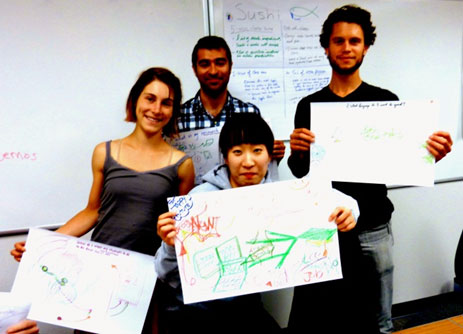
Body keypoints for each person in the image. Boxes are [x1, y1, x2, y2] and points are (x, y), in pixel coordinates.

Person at [287, 5, 453, 334]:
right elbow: (300, 172)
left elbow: (405, 163)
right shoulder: (308, 106)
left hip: (373, 228)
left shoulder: (386, 101)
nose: (346, 48)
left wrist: (432, 157)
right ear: (326, 47)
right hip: (327, 228)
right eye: (338, 41)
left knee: (379, 320)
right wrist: (297, 151)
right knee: (328, 319)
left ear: (366, 46)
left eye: (354, 41)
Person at [10, 67, 195, 334]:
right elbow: (92, 211)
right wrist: (40, 247)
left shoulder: (182, 165)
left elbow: (178, 232)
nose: (157, 109)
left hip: (146, 280)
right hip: (97, 275)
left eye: (167, 103)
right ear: (135, 101)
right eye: (150, 98)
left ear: (173, 110)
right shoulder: (104, 152)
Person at [155, 113, 360, 334]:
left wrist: (350, 212)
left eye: (257, 151)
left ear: (269, 154)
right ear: (225, 157)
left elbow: (340, 200)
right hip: (195, 312)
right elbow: (163, 272)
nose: (248, 162)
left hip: (244, 308)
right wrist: (170, 244)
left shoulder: (274, 193)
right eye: (237, 152)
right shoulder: (200, 199)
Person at [178, 35, 286, 178]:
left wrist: (271, 154)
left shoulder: (250, 113)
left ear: (230, 66)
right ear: (194, 69)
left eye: (220, 63)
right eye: (205, 64)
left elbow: (261, 170)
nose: (213, 71)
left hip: (240, 197)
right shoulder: (178, 117)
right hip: (194, 196)